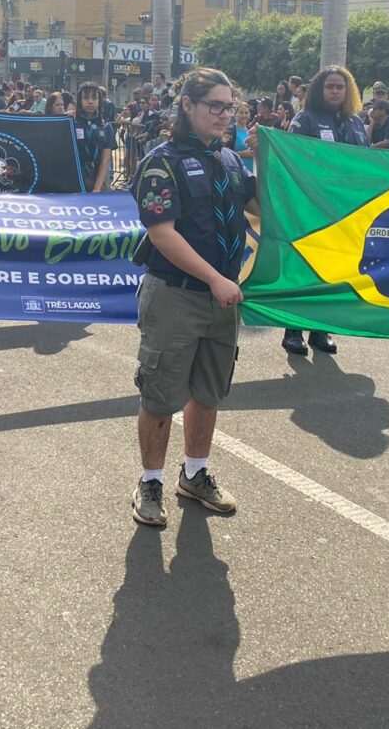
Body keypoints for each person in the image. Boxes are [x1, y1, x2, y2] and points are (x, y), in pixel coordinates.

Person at [129, 67, 255, 527]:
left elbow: (263, 209)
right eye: (215, 106)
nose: (225, 115)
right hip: (177, 297)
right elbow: (163, 235)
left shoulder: (232, 161)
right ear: (187, 106)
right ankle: (150, 481)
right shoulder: (161, 162)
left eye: (230, 106)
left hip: (223, 301)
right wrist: (216, 279)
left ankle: (195, 474)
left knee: (208, 391)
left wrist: (276, 160)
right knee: (160, 395)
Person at [282, 65, 369, 356]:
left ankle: (321, 329)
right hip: (311, 210)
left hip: (346, 212)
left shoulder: (356, 123)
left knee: (333, 270)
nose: (335, 91)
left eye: (340, 87)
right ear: (319, 90)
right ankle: (293, 330)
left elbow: (369, 164)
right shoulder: (305, 120)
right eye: (330, 86)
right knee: (304, 269)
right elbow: (292, 160)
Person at [75, 82, 115, 193]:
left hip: (100, 178)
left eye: (94, 98)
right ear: (79, 101)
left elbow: (105, 160)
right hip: (77, 177)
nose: (90, 101)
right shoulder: (72, 123)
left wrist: (97, 188)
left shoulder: (106, 127)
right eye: (86, 98)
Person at [231, 102, 256, 175]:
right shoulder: (230, 131)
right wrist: (242, 154)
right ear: (235, 114)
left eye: (246, 113)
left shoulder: (251, 131)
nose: (244, 115)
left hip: (251, 173)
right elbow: (223, 153)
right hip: (236, 172)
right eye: (241, 112)